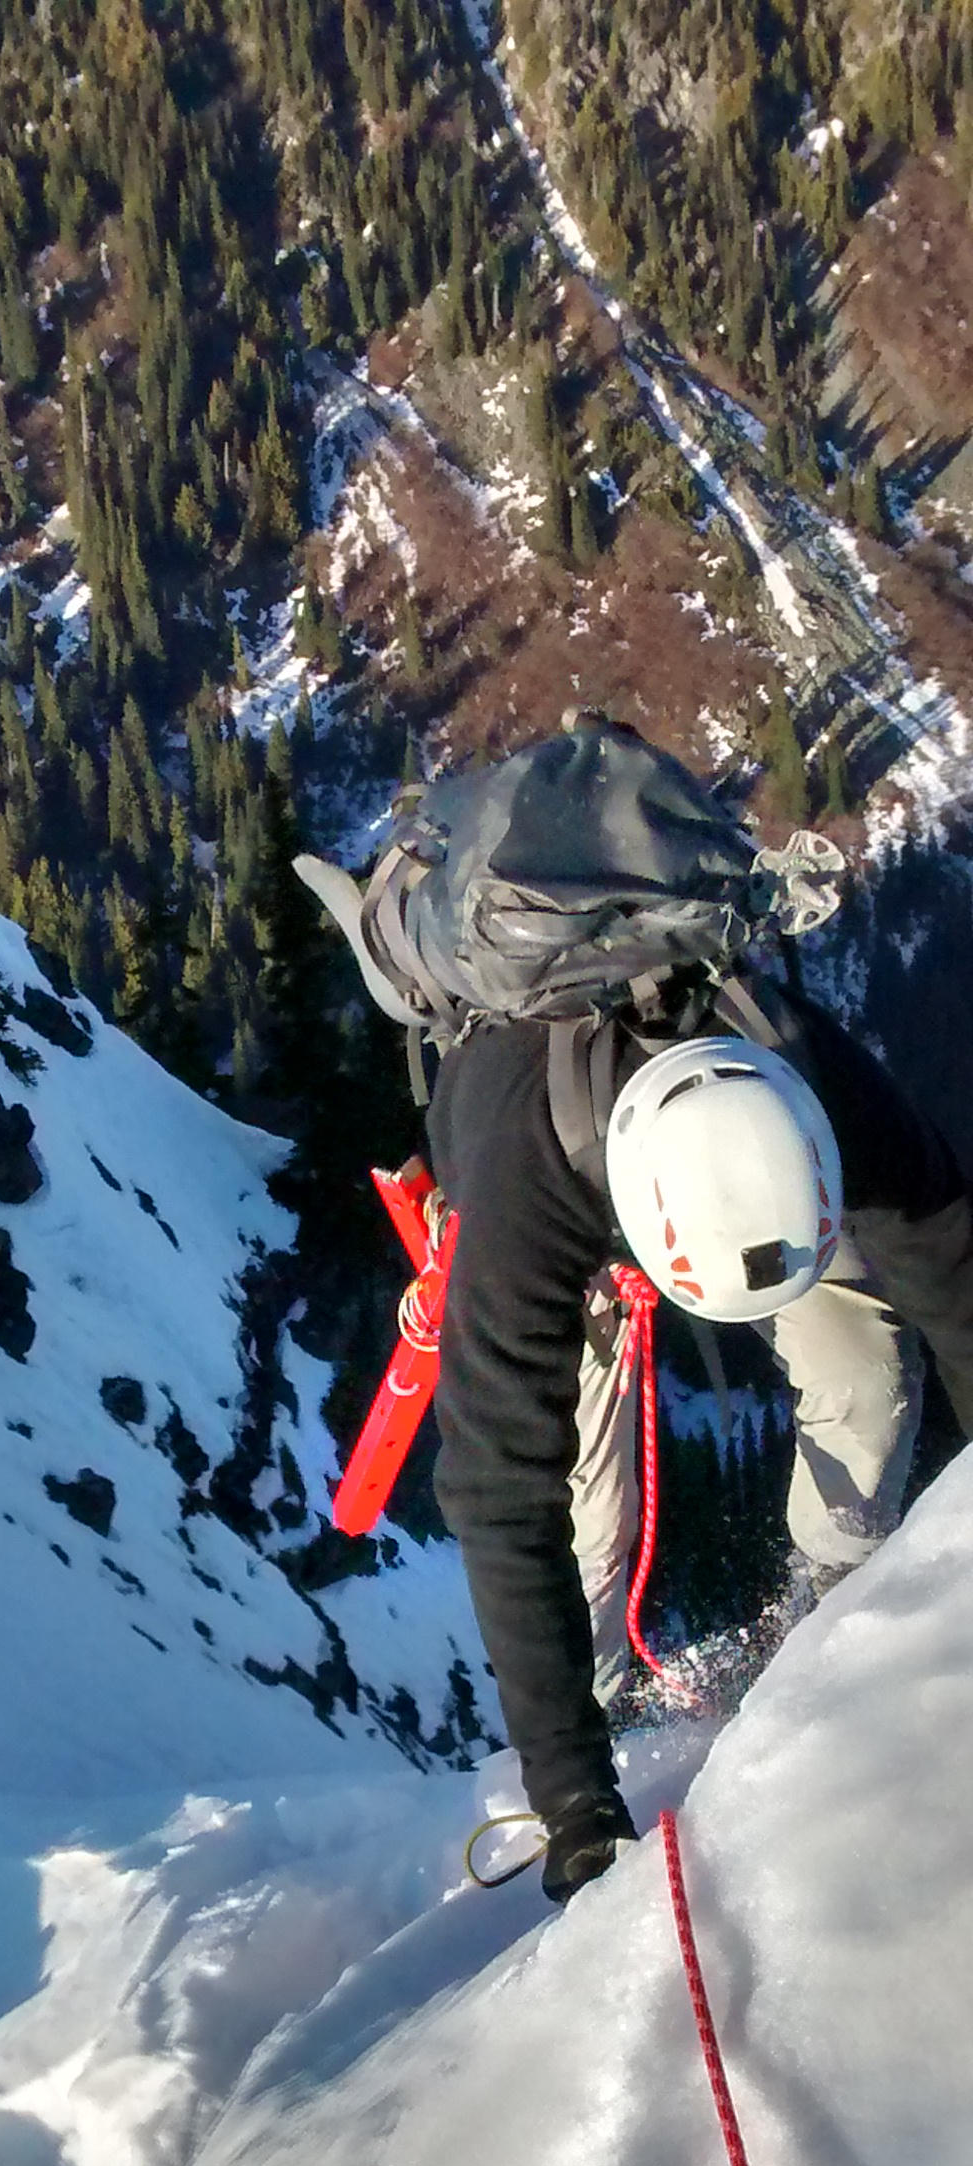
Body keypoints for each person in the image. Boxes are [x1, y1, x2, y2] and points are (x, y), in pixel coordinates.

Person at [302, 722, 973, 1903]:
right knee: (580, 1521)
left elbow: (953, 1266)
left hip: (719, 1176)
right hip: (558, 1174)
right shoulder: (524, 1175)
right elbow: (498, 1489)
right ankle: (596, 1702)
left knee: (867, 1371)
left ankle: (843, 1610)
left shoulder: (802, 1068)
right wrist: (572, 1802)